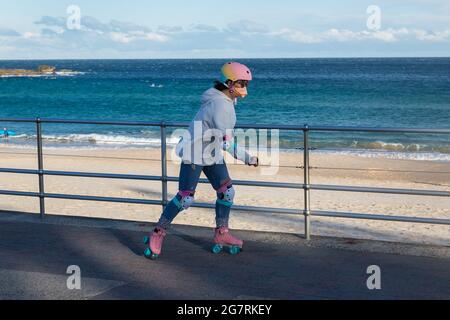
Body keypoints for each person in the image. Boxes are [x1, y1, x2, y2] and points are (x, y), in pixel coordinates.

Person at [144, 62, 259, 260]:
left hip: (211, 152)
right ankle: (157, 233)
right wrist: (248, 158)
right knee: (185, 198)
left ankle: (222, 234)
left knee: (227, 192)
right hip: (194, 153)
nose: (245, 88)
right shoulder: (221, 105)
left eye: (247, 84)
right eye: (242, 84)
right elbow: (228, 144)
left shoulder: (226, 100)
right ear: (230, 84)